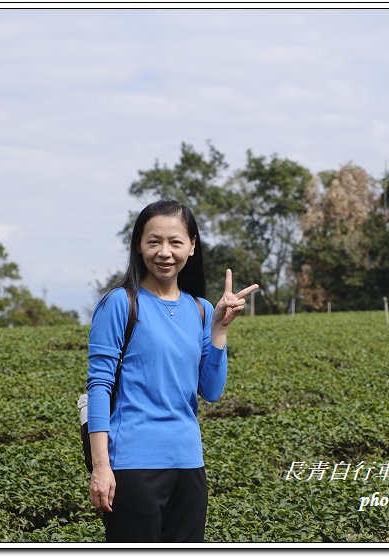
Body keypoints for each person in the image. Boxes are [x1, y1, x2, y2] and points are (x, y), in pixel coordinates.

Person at [86, 199, 259, 542]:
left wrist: (220, 330)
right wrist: (101, 467)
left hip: (188, 462)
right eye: (154, 241)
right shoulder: (120, 303)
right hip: (133, 464)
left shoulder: (200, 309)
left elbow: (210, 390)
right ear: (139, 245)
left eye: (175, 242)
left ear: (192, 246)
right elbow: (99, 386)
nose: (164, 252)